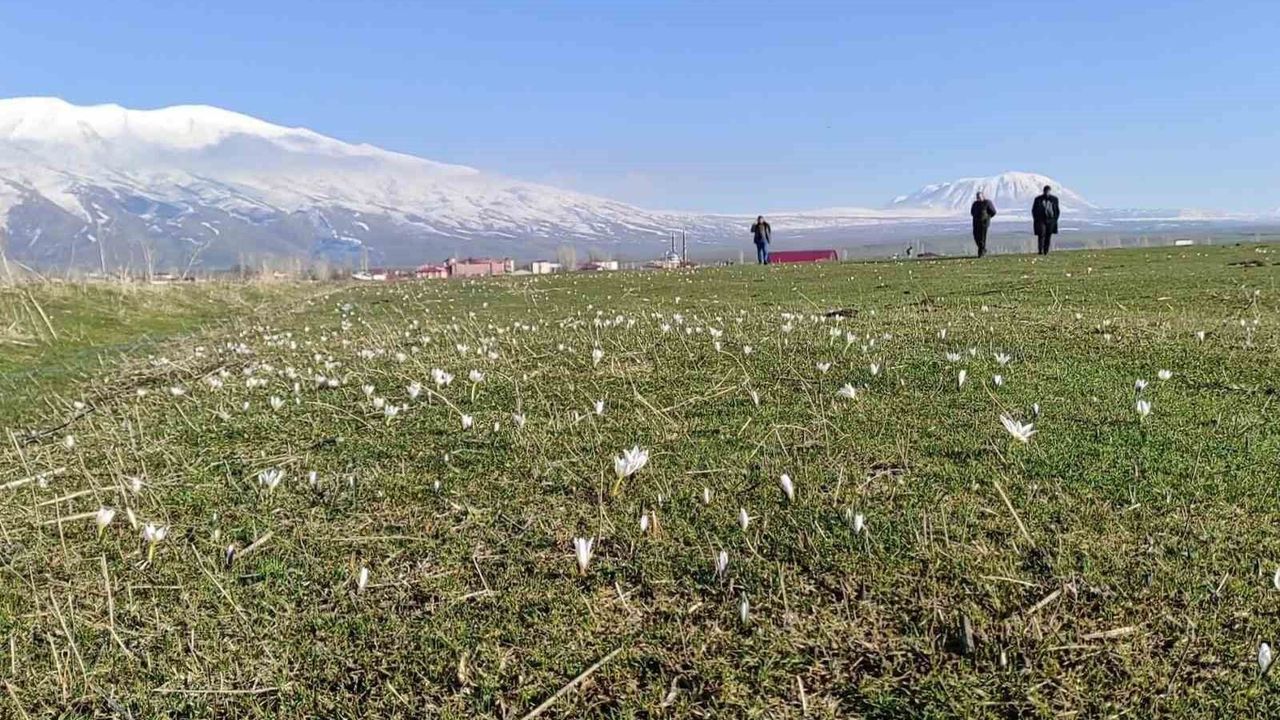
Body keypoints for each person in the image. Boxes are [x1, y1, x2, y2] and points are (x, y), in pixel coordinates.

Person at [1032, 185, 1060, 255]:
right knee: (1041, 234)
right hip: (1041, 220)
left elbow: (1057, 210)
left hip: (1051, 220)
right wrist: (1036, 219)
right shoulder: (1038, 199)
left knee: (1048, 235)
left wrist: (1055, 219)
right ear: (1043, 191)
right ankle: (1040, 250)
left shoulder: (1054, 199)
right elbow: (1034, 210)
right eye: (1046, 191)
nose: (1047, 193)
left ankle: (1046, 251)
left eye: (1048, 191)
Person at [969, 191, 997, 257]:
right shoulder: (975, 204)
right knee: (976, 236)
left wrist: (987, 218)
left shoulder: (987, 202)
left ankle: (981, 253)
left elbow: (993, 212)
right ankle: (983, 249)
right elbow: (972, 212)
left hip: (983, 223)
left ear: (983, 196)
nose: (978, 198)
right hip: (976, 223)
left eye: (979, 196)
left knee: (982, 238)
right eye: (977, 197)